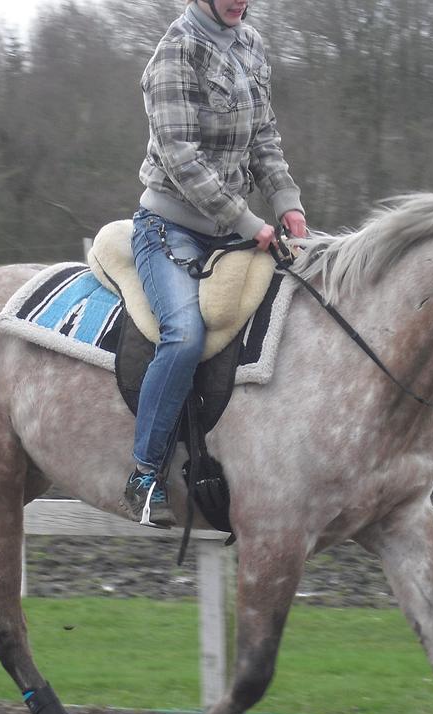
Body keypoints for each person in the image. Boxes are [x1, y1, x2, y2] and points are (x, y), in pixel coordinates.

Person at [123, 0, 307, 527]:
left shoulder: (250, 43)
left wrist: (287, 203)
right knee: (182, 334)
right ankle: (143, 473)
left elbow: (264, 139)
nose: (239, 1)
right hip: (172, 227)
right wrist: (251, 223)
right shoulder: (174, 54)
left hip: (238, 228)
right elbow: (181, 159)